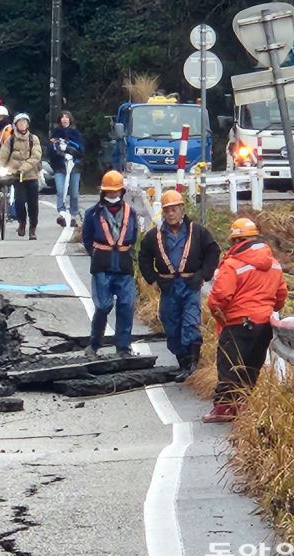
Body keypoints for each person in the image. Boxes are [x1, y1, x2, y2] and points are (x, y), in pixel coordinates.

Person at [203, 218, 288, 423]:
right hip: (264, 325)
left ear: (237, 240)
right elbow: (281, 296)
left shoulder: (232, 265)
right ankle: (242, 404)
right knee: (252, 366)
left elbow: (220, 296)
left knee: (229, 366)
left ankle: (224, 408)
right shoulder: (274, 265)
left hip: (237, 323)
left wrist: (215, 309)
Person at [138, 190, 220, 382]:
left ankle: (192, 365)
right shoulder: (154, 236)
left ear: (182, 209)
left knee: (190, 323)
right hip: (168, 287)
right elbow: (143, 257)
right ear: (164, 213)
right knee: (171, 325)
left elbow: (213, 251)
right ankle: (182, 363)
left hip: (190, 285)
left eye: (174, 209)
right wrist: (154, 279)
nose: (171, 214)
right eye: (167, 211)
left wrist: (203, 274)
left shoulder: (197, 231)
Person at [81, 170, 139, 357]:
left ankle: (123, 347)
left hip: (124, 265)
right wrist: (97, 254)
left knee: (126, 305)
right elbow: (87, 238)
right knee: (103, 306)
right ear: (103, 192)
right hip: (102, 267)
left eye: (115, 191)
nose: (112, 195)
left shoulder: (131, 213)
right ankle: (94, 344)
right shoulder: (92, 213)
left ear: (121, 191)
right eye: (109, 192)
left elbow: (134, 237)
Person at [0, 112, 42, 239]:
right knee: (19, 202)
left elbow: (36, 157)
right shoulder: (10, 139)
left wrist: (22, 169)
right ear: (15, 125)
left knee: (33, 204)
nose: (22, 125)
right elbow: (2, 156)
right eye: (20, 122)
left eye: (24, 122)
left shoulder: (33, 139)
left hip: (31, 175)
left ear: (28, 124)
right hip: (16, 176)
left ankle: (33, 228)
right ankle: (22, 223)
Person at [49, 110, 85, 228]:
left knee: (74, 193)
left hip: (74, 167)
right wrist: (59, 153)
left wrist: (71, 151)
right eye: (62, 117)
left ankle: (74, 214)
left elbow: (81, 151)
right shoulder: (55, 134)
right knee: (60, 190)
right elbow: (50, 150)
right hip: (60, 167)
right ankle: (62, 212)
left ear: (70, 119)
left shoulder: (76, 134)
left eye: (67, 117)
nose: (64, 119)